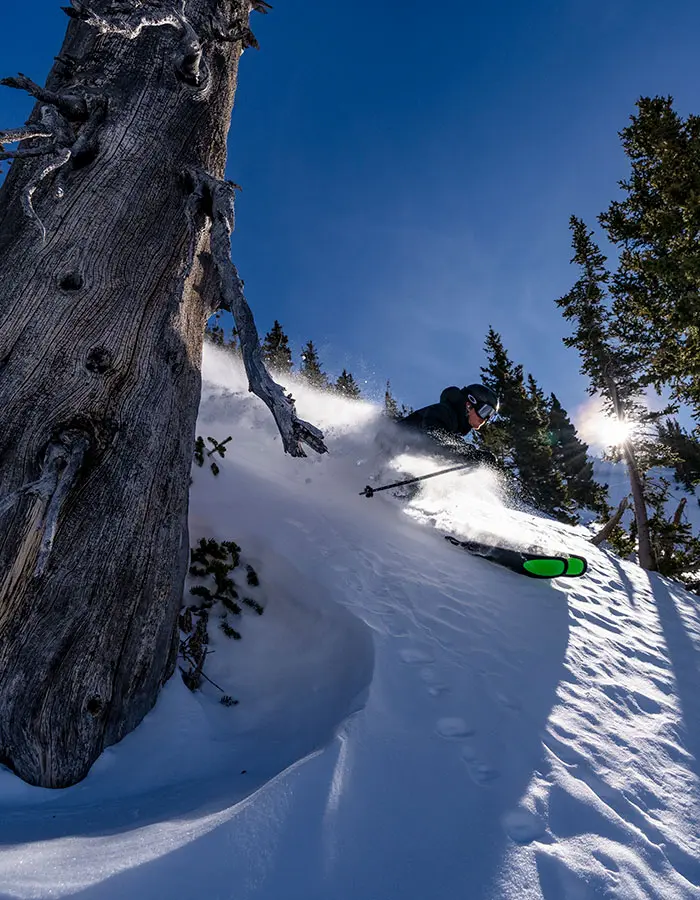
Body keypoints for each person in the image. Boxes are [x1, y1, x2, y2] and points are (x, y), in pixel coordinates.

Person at [395, 383, 500, 466]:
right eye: (485, 411)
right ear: (469, 404)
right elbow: (434, 439)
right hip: (393, 449)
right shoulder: (442, 412)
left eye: (490, 416)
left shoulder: (454, 426)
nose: (485, 419)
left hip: (404, 458)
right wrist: (470, 454)